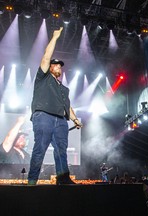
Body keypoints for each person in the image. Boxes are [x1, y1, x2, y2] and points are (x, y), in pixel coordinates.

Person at [27, 27, 83, 185]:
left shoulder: (64, 89)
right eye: (56, 65)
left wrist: (75, 119)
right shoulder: (43, 78)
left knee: (61, 151)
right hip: (43, 115)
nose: (59, 67)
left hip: (61, 121)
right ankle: (32, 181)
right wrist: (55, 37)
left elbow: (68, 107)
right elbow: (46, 57)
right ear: (50, 68)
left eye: (60, 66)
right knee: (40, 149)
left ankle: (63, 180)